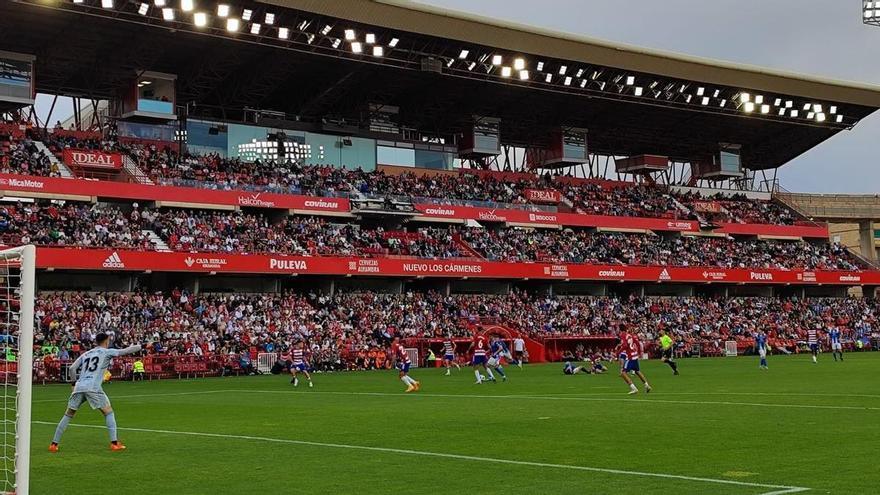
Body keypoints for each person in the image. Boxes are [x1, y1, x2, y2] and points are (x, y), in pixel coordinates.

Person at [49, 333, 141, 453]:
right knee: (108, 412)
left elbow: (72, 368)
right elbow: (126, 350)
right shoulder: (106, 352)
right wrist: (140, 346)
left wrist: (73, 384)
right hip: (93, 387)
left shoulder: (86, 353)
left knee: (68, 414)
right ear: (106, 341)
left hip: (79, 386)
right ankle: (114, 443)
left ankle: (53, 444)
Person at [617, 324, 651, 395]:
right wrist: (639, 352)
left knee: (623, 373)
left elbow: (625, 346)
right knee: (637, 371)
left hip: (630, 357)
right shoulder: (629, 335)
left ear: (620, 329)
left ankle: (634, 388)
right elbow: (637, 343)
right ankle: (647, 386)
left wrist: (618, 352)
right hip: (635, 355)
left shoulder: (622, 335)